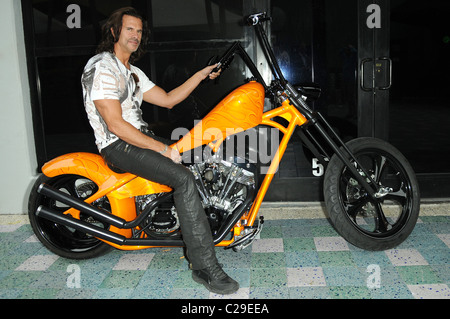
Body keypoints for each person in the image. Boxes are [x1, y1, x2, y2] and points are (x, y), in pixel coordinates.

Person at [81, 7, 239, 295]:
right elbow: (115, 125)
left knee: (198, 156)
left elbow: (167, 100)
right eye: (129, 29)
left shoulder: (133, 72)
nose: (136, 36)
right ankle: (204, 266)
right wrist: (161, 149)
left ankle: (193, 230)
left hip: (139, 138)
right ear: (115, 32)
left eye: (139, 31)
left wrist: (201, 75)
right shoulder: (102, 67)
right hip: (117, 146)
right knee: (182, 177)